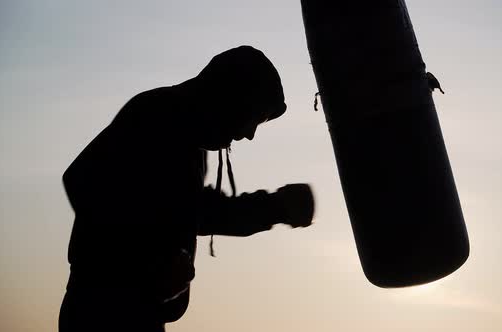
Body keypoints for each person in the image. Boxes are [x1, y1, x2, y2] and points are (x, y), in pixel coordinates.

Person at [59, 45, 315, 332]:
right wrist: (145, 260)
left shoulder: (188, 139)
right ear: (231, 98)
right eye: (252, 118)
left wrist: (274, 208)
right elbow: (81, 179)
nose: (249, 134)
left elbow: (194, 211)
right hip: (103, 312)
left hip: (141, 312)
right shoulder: (154, 116)